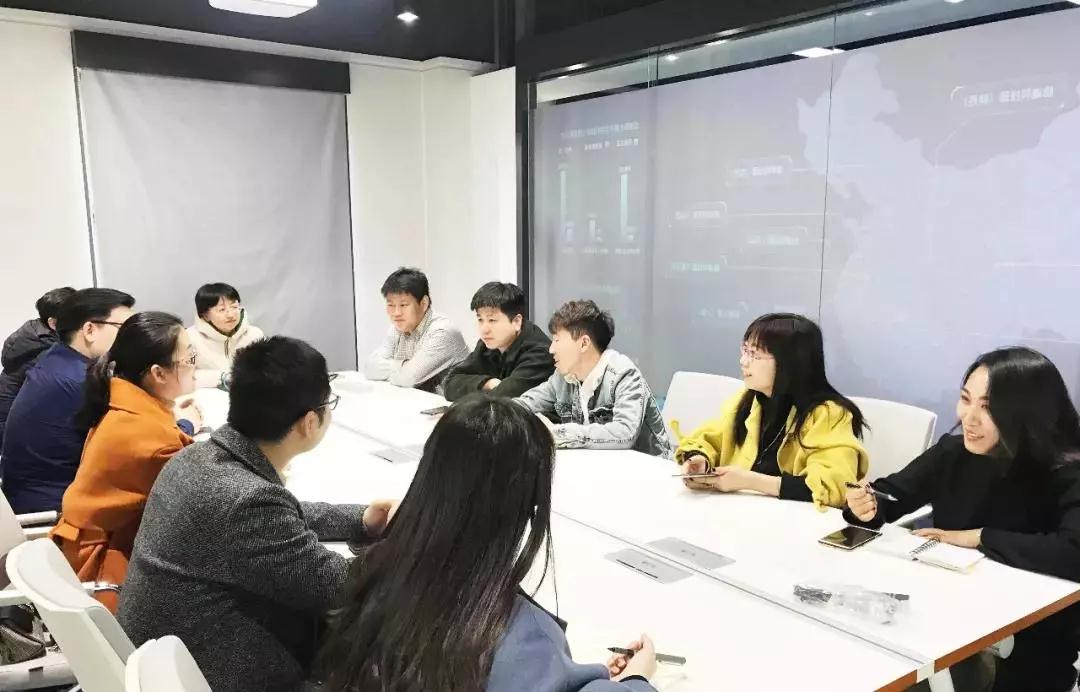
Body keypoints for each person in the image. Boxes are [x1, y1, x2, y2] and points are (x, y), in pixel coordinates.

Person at [316, 394, 660, 692]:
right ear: (528, 504)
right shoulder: (516, 637)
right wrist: (636, 679)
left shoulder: (370, 572)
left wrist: (565, 673)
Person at [118, 336, 397, 692]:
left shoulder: (198, 458)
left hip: (170, 660)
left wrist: (360, 519)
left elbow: (283, 515)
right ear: (310, 422)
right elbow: (342, 587)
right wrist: (418, 542)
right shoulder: (247, 503)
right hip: (218, 672)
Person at [845, 347, 1080, 692]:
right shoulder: (953, 452)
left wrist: (979, 536)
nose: (969, 418)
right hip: (938, 619)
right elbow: (890, 497)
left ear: (1027, 414)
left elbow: (1073, 552)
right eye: (965, 399)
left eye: (988, 407)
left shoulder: (1067, 471)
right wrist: (864, 506)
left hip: (1021, 648)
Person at [50, 312, 201, 613]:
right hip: (105, 573)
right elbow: (204, 498)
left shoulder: (123, 406)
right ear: (158, 374)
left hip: (85, 550)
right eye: (190, 358)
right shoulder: (151, 436)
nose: (195, 367)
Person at [675, 314, 869, 509]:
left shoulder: (828, 414)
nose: (743, 361)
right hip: (739, 511)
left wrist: (750, 481)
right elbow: (710, 438)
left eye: (754, 354)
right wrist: (700, 460)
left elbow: (833, 487)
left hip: (796, 519)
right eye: (745, 350)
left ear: (789, 362)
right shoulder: (749, 400)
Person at [1, 288, 135, 514]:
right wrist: (186, 423)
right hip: (55, 510)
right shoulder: (77, 380)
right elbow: (130, 448)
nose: (131, 338)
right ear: (89, 330)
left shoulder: (59, 358)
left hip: (38, 494)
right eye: (124, 328)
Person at [515, 300, 672, 457]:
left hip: (648, 466)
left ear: (584, 343)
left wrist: (558, 433)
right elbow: (525, 404)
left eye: (557, 340)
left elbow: (625, 432)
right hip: (600, 463)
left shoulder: (623, 374)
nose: (551, 349)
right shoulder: (562, 378)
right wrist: (504, 413)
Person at [443, 282, 555, 401]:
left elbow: (501, 399)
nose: (484, 329)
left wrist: (477, 387)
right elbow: (450, 385)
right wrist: (487, 383)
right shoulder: (488, 344)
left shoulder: (540, 353)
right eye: (480, 319)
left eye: (492, 320)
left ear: (516, 321)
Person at [364, 267, 469, 393]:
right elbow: (370, 367)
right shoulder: (396, 329)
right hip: (421, 401)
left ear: (424, 303)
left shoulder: (443, 331)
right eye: (391, 305)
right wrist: (403, 367)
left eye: (403, 305)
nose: (396, 313)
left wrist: (392, 369)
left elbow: (408, 379)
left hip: (456, 403)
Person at [0, 287, 76, 448]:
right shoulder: (46, 351)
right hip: (14, 430)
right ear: (53, 323)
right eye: (77, 316)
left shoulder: (34, 332)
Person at [187, 282, 265, 388]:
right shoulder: (189, 338)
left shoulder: (255, 335)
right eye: (222, 310)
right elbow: (184, 377)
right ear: (205, 315)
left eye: (234, 307)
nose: (231, 315)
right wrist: (223, 377)